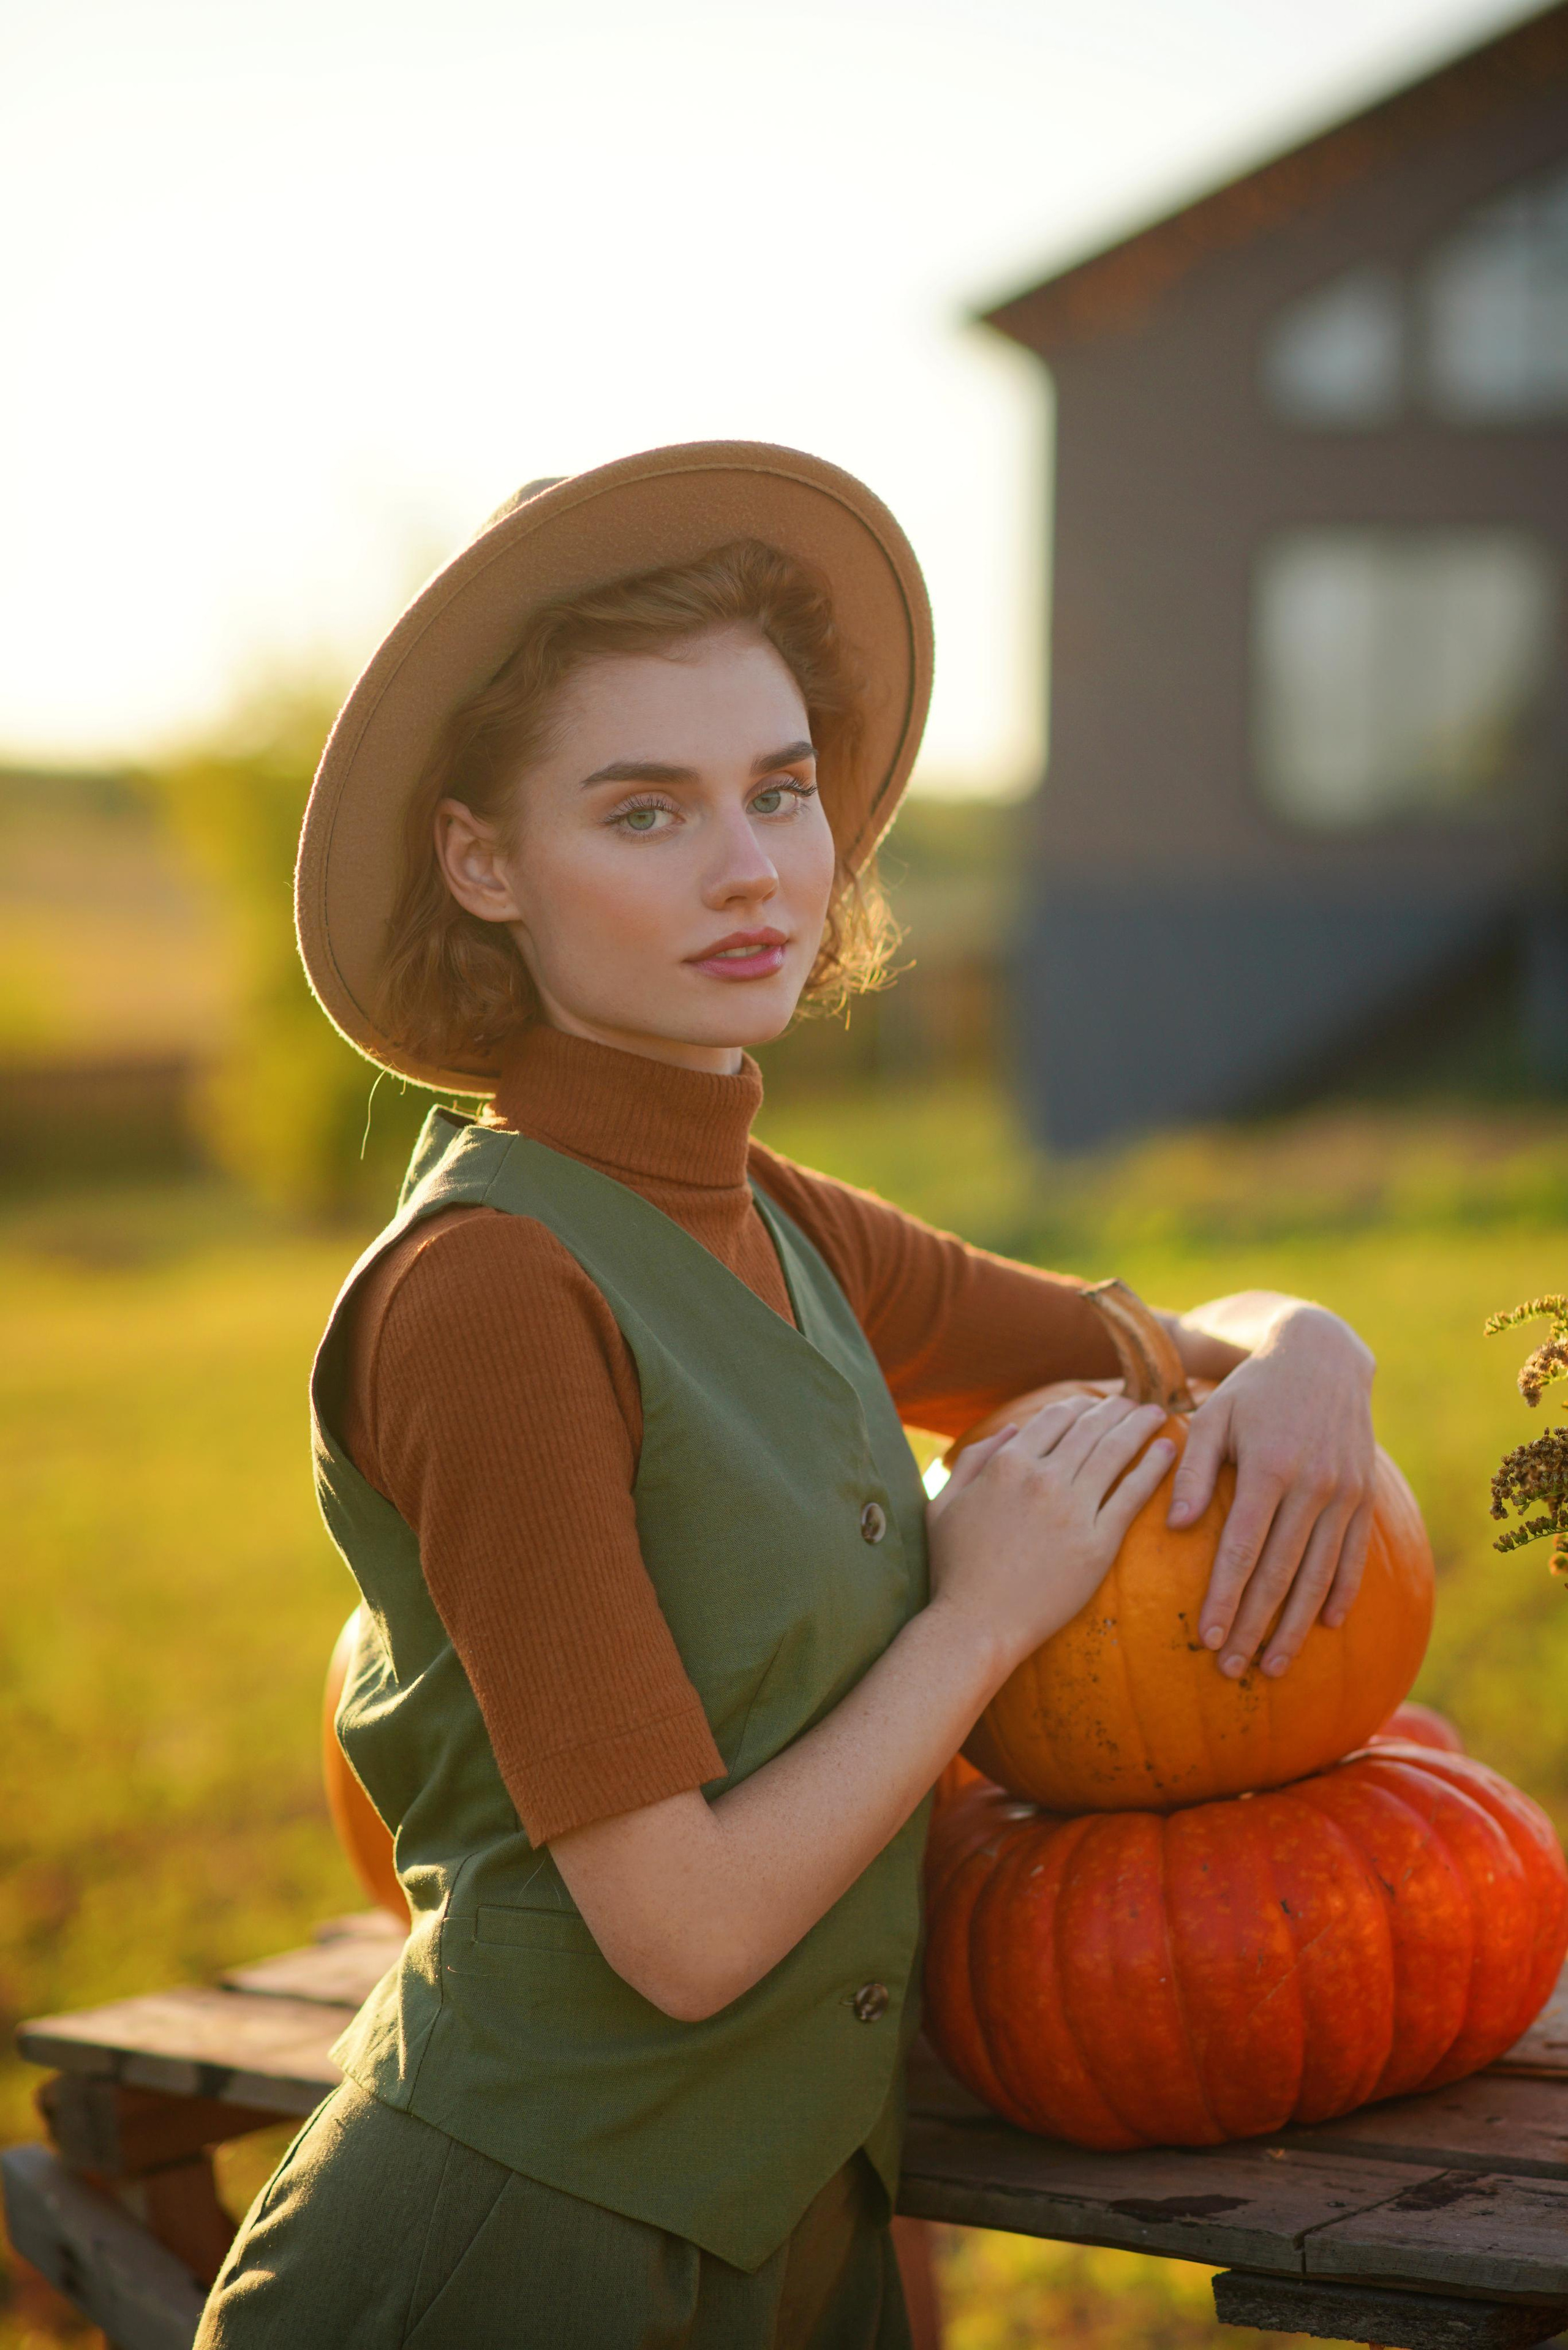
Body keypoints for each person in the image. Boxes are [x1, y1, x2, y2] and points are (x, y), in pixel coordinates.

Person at [197, 443, 1376, 2350]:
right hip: (513, 2253)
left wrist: (1324, 1351)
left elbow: (1145, 1341)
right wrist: (983, 1611)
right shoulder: (491, 1290)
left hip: (805, 2247)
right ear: (482, 860)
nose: (754, 869)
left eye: (783, 790)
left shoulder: (776, 1214)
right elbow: (681, 1935)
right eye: (646, 809)